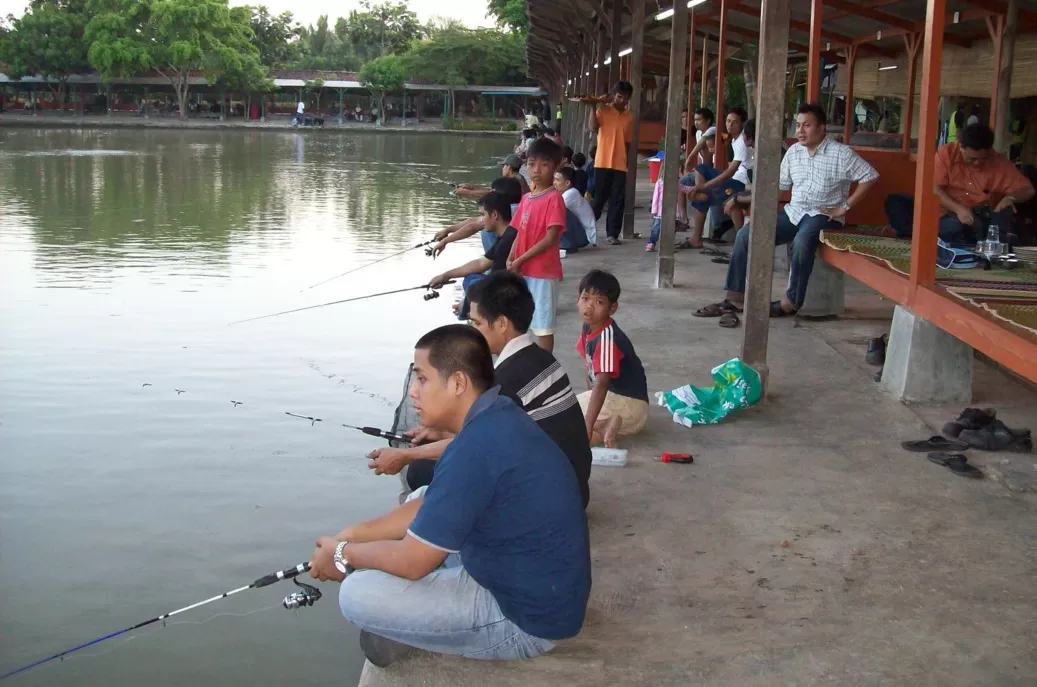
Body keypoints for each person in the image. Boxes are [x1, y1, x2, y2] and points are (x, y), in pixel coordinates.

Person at [312, 325, 590, 667]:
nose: (414, 392)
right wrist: (352, 535)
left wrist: (342, 554)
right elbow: (430, 503)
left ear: (458, 383)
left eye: (422, 379)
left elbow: (413, 563)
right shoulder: (497, 413)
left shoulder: (476, 448)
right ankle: (424, 621)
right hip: (540, 587)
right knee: (428, 493)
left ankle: (428, 636)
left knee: (356, 595)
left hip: (524, 620)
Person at [368, 273, 593, 507]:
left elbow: (477, 444)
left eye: (476, 323)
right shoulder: (539, 358)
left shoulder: (506, 381)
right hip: (573, 485)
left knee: (420, 471)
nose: (472, 331)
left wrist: (404, 455)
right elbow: (504, 434)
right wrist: (441, 433)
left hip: (551, 498)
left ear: (502, 324)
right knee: (431, 457)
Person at [694, 103, 880, 326]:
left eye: (807, 125)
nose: (800, 131)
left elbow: (870, 175)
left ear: (822, 128)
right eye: (799, 125)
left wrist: (845, 207)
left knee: (802, 242)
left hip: (823, 215)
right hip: (794, 212)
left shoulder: (841, 153)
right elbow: (778, 187)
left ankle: (790, 302)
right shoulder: (793, 152)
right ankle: (735, 297)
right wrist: (748, 204)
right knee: (747, 234)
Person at [884, 123, 1034, 243]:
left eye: (982, 159)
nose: (977, 163)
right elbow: (932, 187)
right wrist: (957, 208)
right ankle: (921, 232)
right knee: (895, 201)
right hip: (938, 212)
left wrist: (1011, 198)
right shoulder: (946, 153)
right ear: (961, 147)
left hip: (969, 220)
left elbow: (1028, 189)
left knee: (958, 226)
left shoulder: (997, 161)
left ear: (990, 151)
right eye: (972, 159)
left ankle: (916, 233)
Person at [576, 269, 648, 448]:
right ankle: (604, 424)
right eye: (585, 299)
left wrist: (587, 424)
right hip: (617, 402)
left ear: (612, 308)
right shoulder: (588, 327)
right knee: (564, 411)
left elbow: (601, 383)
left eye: (599, 302)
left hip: (630, 406)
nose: (589, 307)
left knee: (566, 420)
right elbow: (590, 366)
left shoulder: (607, 338)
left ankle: (594, 429)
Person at [507, 138, 566, 353]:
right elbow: (519, 231)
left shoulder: (554, 198)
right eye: (532, 164)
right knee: (525, 320)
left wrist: (521, 259)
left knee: (543, 324)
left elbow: (550, 238)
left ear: (555, 166)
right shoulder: (526, 198)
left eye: (544, 164)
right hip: (524, 271)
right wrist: (512, 255)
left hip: (543, 272)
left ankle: (546, 366)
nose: (537, 170)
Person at [429, 192, 518, 319]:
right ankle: (469, 310)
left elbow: (491, 279)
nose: (481, 220)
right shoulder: (507, 235)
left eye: (483, 215)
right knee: (471, 277)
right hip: (502, 285)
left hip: (508, 290)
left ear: (494, 215)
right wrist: (445, 276)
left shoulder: (508, 239)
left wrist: (467, 301)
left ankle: (469, 313)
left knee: (473, 286)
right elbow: (481, 264)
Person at [679, 110, 752, 248]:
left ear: (742, 124)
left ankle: (702, 196)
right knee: (700, 169)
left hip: (741, 182)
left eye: (735, 122)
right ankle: (701, 195)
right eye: (728, 121)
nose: (730, 125)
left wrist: (705, 185)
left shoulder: (742, 141)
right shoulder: (732, 139)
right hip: (734, 179)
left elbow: (730, 172)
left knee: (706, 188)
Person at [589, 81, 635, 245]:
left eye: (625, 98)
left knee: (617, 199)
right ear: (613, 95)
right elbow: (593, 127)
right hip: (602, 161)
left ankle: (612, 234)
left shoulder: (629, 116)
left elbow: (628, 141)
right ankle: (587, 228)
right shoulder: (603, 110)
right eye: (619, 97)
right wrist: (593, 106)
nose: (622, 100)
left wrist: (627, 161)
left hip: (620, 164)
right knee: (599, 198)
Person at [434, 175, 524, 255]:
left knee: (486, 230)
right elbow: (473, 221)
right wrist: (448, 230)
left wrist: (445, 240)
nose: (490, 195)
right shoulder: (517, 207)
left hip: (501, 262)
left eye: (493, 193)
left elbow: (472, 226)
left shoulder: (507, 211)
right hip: (499, 259)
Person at [454, 154, 530, 201]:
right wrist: (471, 187)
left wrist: (466, 192)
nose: (502, 169)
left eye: (503, 166)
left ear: (509, 167)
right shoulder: (517, 177)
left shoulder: (513, 180)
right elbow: (493, 190)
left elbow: (492, 193)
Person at [555, 166, 597, 247]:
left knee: (558, 210)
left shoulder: (571, 193)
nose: (554, 183)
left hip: (585, 237)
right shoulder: (568, 192)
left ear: (567, 183)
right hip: (581, 234)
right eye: (554, 179)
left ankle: (566, 244)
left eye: (557, 180)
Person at [645, 171, 664, 252]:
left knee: (670, 229)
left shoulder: (678, 182)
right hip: (659, 211)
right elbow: (655, 197)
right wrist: (654, 210)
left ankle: (666, 245)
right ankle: (651, 242)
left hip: (671, 212)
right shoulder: (660, 182)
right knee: (655, 228)